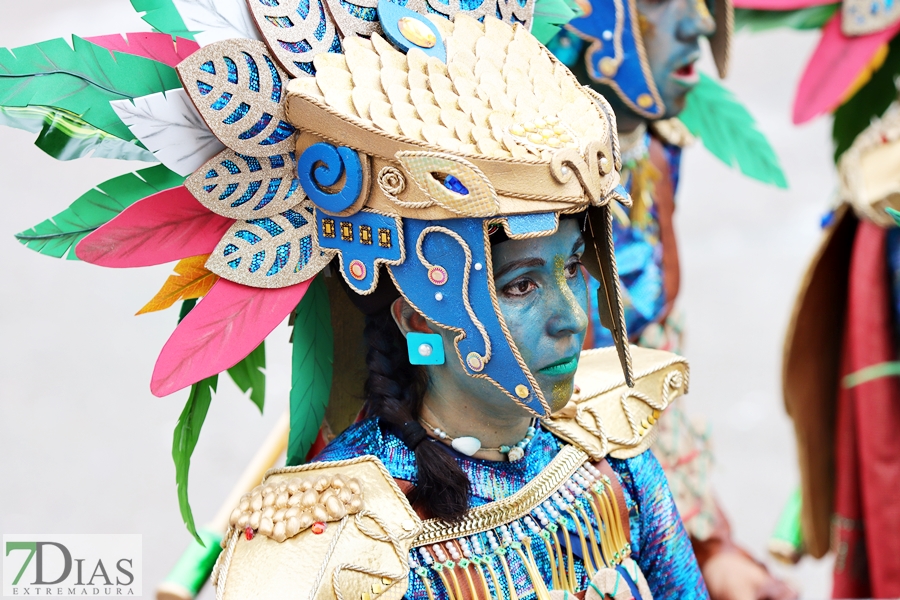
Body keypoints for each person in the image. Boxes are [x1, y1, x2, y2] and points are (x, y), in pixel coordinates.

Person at [541, 1, 798, 599]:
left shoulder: (653, 152)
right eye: (659, 0)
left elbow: (656, 380)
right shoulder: (508, 197)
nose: (701, 23)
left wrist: (709, 543)